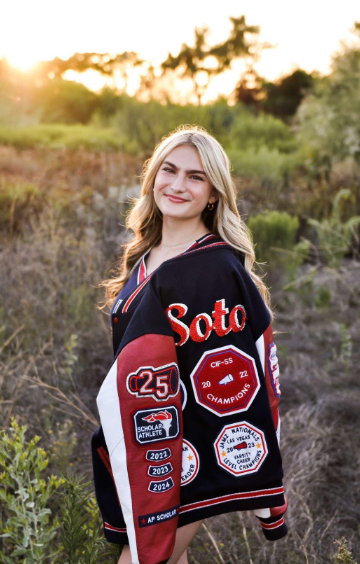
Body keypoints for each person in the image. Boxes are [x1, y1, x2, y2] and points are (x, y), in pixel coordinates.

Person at [92, 125, 288, 564]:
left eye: (196, 177)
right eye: (169, 170)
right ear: (152, 177)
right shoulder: (146, 256)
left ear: (214, 193)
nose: (178, 185)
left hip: (189, 454)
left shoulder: (214, 267)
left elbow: (235, 377)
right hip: (151, 442)